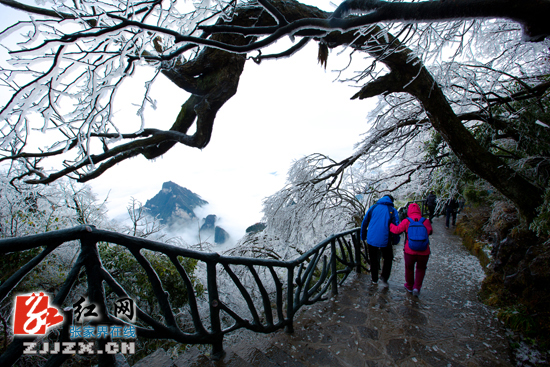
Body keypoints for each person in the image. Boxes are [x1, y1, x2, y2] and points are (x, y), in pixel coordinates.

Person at [390, 202, 433, 297]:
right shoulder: (425, 221)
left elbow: (397, 230)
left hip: (409, 251)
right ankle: (417, 288)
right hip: (424, 251)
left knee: (409, 268)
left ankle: (409, 286)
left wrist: (389, 225)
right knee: (421, 269)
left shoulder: (407, 221)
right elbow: (430, 231)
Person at [360, 195, 400, 288]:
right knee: (388, 258)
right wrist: (395, 240)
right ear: (391, 201)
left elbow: (364, 222)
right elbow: (396, 226)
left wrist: (363, 236)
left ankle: (374, 279)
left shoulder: (373, 207)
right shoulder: (392, 210)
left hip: (371, 238)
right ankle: (384, 277)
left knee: (373, 259)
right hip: (385, 239)